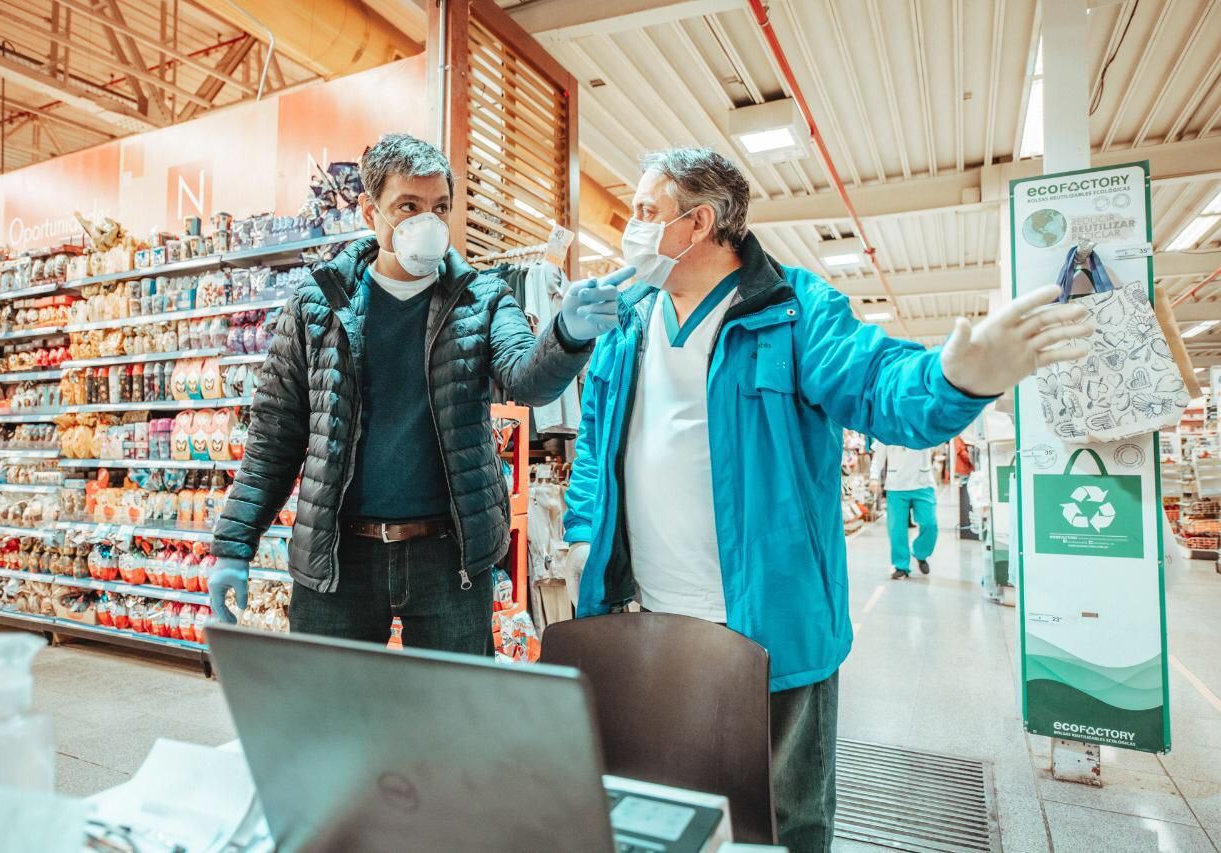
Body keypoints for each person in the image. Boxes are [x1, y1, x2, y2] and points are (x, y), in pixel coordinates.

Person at [560, 147, 1093, 852]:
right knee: (669, 809)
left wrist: (957, 377)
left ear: (698, 222)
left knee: (784, 820)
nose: (630, 228)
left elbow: (879, 383)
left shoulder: (794, 310)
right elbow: (596, 442)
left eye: (644, 212)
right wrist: (581, 530)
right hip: (652, 619)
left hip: (769, 630)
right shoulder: (627, 322)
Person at [209, 133, 628, 654]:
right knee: (331, 718)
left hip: (448, 558)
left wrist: (566, 336)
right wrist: (233, 546)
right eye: (408, 205)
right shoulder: (316, 304)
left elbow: (526, 380)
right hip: (338, 558)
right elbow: (275, 436)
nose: (426, 222)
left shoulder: (481, 299)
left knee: (450, 720)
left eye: (439, 208)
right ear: (370, 211)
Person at [870, 444, 939, 579]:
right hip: (896, 485)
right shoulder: (887, 424)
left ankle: (920, 552)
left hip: (923, 483)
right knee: (896, 529)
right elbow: (878, 455)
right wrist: (873, 477)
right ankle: (901, 565)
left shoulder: (924, 422)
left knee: (930, 524)